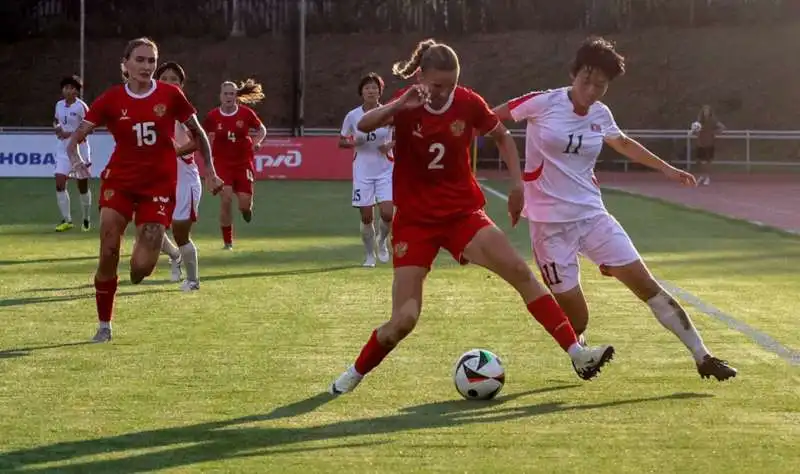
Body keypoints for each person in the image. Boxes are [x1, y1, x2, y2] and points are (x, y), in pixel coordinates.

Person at [329, 39, 615, 396]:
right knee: (403, 321)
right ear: (421, 76)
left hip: (462, 215)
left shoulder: (468, 102)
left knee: (520, 273)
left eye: (449, 85)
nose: (442, 93)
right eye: (436, 86)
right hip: (415, 223)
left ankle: (577, 352)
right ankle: (354, 373)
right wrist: (400, 104)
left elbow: (502, 136)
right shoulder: (407, 101)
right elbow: (366, 126)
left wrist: (517, 185)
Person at [493, 36, 736, 381]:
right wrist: (517, 181)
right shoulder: (543, 103)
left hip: (593, 218)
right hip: (549, 228)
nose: (591, 91)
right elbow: (488, 120)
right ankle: (580, 355)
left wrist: (668, 169)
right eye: (586, 81)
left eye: (601, 85)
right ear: (573, 75)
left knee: (647, 285)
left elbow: (622, 142)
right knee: (578, 320)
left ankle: (703, 356)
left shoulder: (601, 114)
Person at [66, 37, 223, 342]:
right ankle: (104, 324)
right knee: (109, 245)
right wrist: (76, 160)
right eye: (139, 60)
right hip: (120, 182)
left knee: (140, 270)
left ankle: (147, 251)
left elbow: (199, 133)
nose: (146, 66)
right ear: (125, 64)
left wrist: (211, 171)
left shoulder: (171, 95)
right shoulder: (111, 99)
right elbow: (77, 137)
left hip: (158, 186)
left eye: (151, 61)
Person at [154, 61, 202, 291]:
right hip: (157, 178)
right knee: (150, 230)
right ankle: (175, 257)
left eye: (175, 79)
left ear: (182, 85)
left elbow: (199, 141)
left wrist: (175, 151)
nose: (169, 83)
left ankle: (193, 280)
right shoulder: (150, 110)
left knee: (181, 233)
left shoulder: (185, 113)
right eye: (164, 79)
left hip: (184, 179)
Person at [203, 79, 267, 250]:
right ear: (220, 96)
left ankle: (246, 210)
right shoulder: (212, 116)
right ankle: (228, 242)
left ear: (236, 96)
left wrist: (256, 142)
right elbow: (204, 137)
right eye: (226, 93)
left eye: (232, 93)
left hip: (243, 163)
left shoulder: (246, 114)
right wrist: (208, 165)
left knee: (244, 203)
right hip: (222, 164)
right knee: (226, 199)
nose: (229, 96)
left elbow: (262, 129)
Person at [339, 72, 394, 267]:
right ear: (361, 92)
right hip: (362, 170)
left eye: (375, 88)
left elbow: (403, 134)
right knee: (366, 216)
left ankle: (382, 241)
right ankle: (369, 254)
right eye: (367, 88)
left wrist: (390, 144)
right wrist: (354, 141)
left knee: (388, 213)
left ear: (380, 92)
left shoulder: (388, 112)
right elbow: (342, 140)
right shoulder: (353, 116)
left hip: (385, 168)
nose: (371, 91)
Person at [53, 75, 92, 232]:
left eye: (71, 88)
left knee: (82, 186)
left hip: (79, 150)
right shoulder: (59, 105)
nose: (68, 91)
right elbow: (55, 120)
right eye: (66, 88)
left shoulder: (81, 107)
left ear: (77, 91)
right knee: (59, 182)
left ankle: (86, 218)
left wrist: (74, 135)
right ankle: (67, 219)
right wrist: (57, 129)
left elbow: (91, 126)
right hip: (63, 149)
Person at [691, 104, 725, 186]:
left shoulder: (713, 120)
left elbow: (722, 127)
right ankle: (702, 176)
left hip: (709, 143)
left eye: (707, 111)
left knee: (708, 161)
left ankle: (707, 177)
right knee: (701, 161)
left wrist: (714, 133)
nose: (706, 112)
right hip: (700, 143)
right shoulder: (699, 121)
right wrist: (693, 131)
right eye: (704, 111)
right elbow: (695, 130)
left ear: (710, 112)